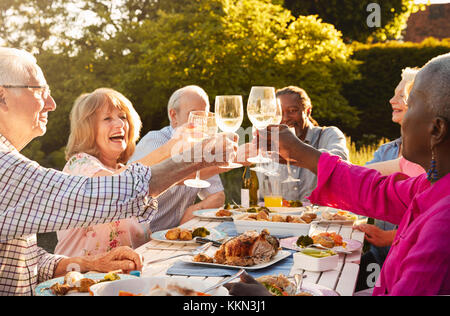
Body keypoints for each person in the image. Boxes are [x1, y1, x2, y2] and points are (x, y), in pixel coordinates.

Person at [0, 48, 237, 295]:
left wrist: (92, 264)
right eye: (40, 91)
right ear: (2, 96)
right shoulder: (5, 166)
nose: (52, 104)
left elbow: (25, 261)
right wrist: (193, 158)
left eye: (122, 117)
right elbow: (105, 194)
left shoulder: (10, 162)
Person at [227, 53, 450, 296]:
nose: (403, 117)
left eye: (412, 103)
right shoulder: (432, 186)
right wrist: (302, 154)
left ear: (436, 129)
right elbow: (375, 191)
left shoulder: (442, 224)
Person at [354, 68, 425, 291]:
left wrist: (389, 237)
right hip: (379, 258)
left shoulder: (432, 157)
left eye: (401, 96)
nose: (392, 100)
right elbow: (361, 182)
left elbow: (431, 221)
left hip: (407, 265)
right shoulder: (387, 151)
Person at [129, 86, 226, 231]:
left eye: (204, 116)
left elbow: (217, 196)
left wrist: (188, 215)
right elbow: (135, 188)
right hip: (140, 239)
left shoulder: (201, 148)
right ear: (174, 116)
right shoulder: (155, 142)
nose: (202, 123)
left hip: (171, 239)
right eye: (194, 115)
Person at [272, 86, 349, 201]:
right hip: (281, 218)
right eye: (279, 113)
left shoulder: (329, 134)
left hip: (323, 217)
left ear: (307, 111)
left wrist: (297, 149)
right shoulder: (272, 144)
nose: (285, 118)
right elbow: (263, 198)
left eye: (292, 111)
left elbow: (340, 164)